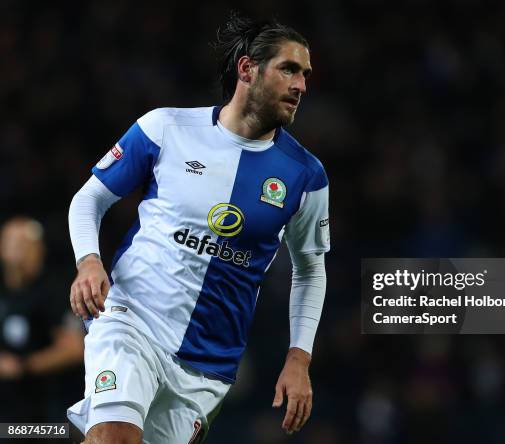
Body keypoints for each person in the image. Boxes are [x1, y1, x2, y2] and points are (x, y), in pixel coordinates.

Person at [66, 12, 330, 444]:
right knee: (114, 437)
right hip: (133, 320)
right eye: (288, 69)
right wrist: (89, 260)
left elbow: (310, 270)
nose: (300, 85)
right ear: (248, 69)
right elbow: (88, 199)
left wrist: (299, 358)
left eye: (305, 74)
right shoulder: (165, 127)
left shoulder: (306, 175)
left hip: (208, 362)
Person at [0, 217, 84, 427]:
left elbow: (74, 348)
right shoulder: (4, 291)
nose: (21, 251)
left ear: (40, 250)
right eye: (15, 243)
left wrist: (24, 366)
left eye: (28, 244)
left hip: (46, 413)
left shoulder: (53, 292)